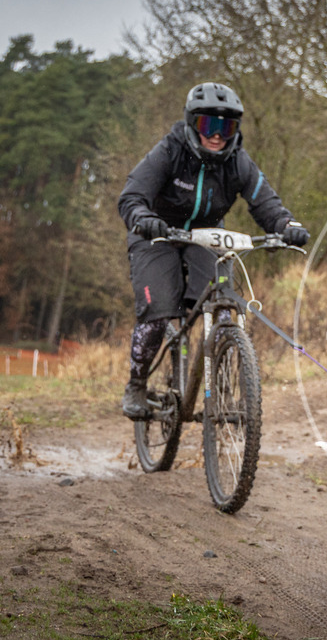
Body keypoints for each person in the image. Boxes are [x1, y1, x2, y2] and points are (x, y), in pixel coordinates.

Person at [118, 81, 310, 419]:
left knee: (223, 306)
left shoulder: (238, 161)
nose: (218, 134)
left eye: (227, 126)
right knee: (159, 312)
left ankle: (220, 386)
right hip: (156, 233)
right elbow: (131, 196)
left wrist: (286, 227)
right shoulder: (169, 150)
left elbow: (266, 204)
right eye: (210, 124)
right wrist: (144, 218)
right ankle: (136, 383)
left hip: (207, 236)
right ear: (193, 124)